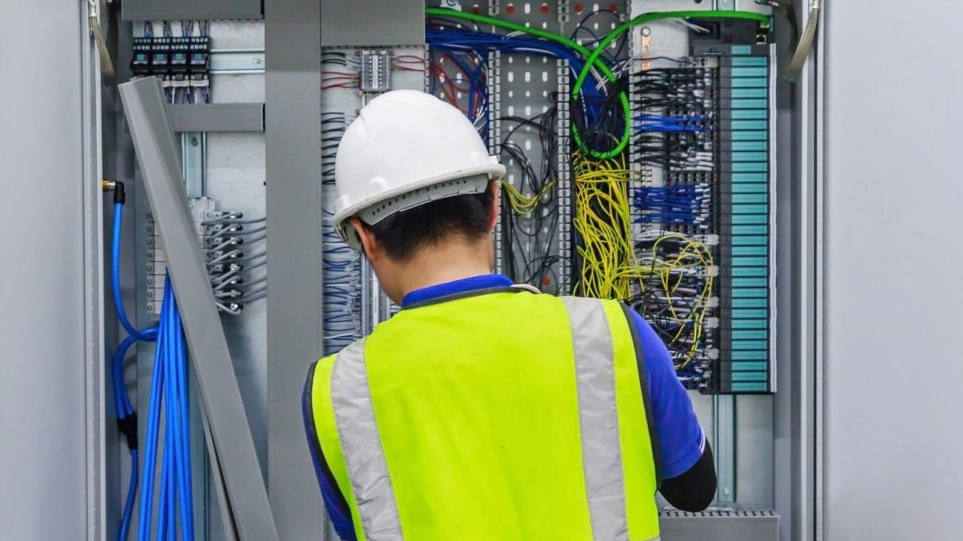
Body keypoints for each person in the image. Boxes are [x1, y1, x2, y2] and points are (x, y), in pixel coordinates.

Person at [302, 89, 716, 541]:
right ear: (495, 201)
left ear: (365, 237)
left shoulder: (335, 393)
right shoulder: (614, 335)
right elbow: (694, 490)